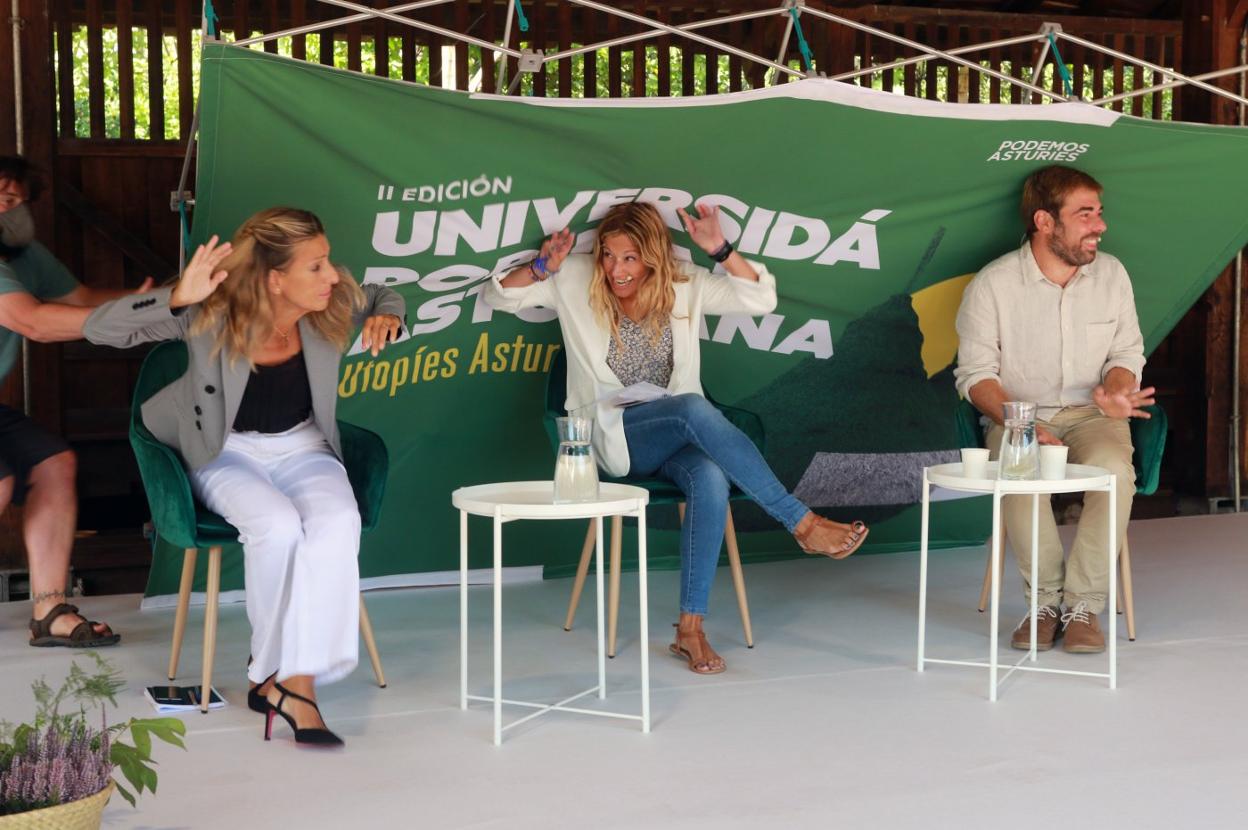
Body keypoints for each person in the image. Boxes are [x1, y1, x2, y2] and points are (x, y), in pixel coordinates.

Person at [484, 201, 868, 675]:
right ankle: (802, 523)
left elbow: (760, 300)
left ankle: (690, 629)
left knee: (708, 477)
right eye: (608, 255)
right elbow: (499, 296)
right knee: (691, 406)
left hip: (674, 438)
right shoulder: (575, 277)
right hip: (616, 438)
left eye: (629, 258)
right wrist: (544, 266)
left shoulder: (683, 284)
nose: (616, 269)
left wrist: (720, 250)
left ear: (653, 256)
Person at [84, 207, 405, 746]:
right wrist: (176, 296)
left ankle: (278, 677)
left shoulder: (330, 302)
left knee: (337, 521)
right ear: (275, 279)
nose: (333, 276)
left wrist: (386, 316)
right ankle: (291, 684)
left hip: (302, 444)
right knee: (276, 527)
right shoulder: (210, 310)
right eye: (318, 266)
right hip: (225, 449)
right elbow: (99, 329)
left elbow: (382, 295)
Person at [954, 165, 1152, 655]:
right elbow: (975, 376)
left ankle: (1083, 605)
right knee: (1020, 470)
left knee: (1113, 472)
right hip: (1019, 416)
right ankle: (1043, 604)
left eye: (1099, 213)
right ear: (1045, 222)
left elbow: (1126, 355)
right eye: (1085, 215)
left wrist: (1116, 388)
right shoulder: (993, 284)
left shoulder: (1114, 275)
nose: (1100, 226)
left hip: (1092, 416)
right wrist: (1025, 425)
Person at [0, 155, 156, 649]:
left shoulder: (23, 257)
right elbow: (35, 322)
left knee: (54, 462)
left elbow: (81, 297)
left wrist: (157, 300)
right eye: (0, 197)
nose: (7, 209)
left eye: (14, 201)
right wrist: (155, 310)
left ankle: (49, 609)